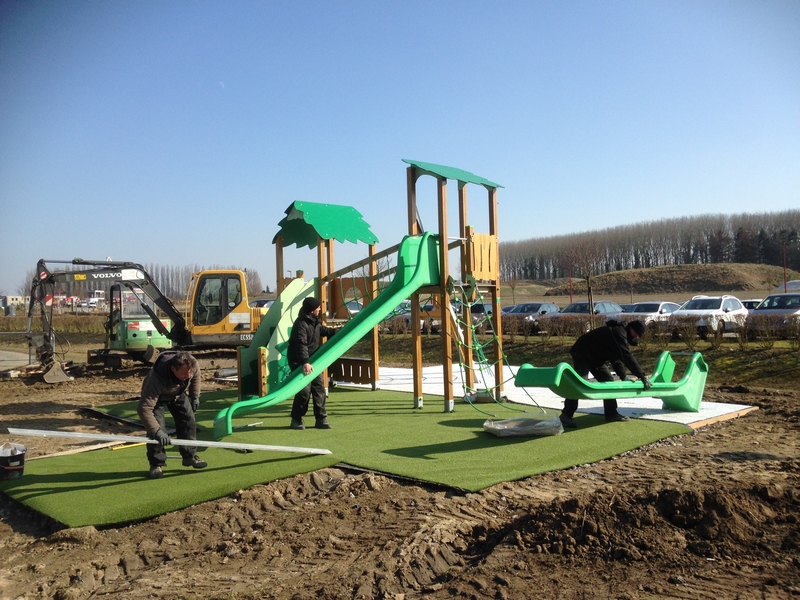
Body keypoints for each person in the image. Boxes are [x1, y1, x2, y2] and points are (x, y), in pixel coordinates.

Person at [559, 319, 652, 428]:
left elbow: (616, 358)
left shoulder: (621, 335)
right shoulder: (618, 333)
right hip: (582, 353)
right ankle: (566, 414)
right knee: (579, 383)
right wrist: (642, 375)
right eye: (637, 334)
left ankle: (611, 413)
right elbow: (626, 357)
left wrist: (623, 376)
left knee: (608, 381)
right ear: (631, 329)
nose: (637, 337)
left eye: (639, 336)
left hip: (595, 358)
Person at [137, 350, 206, 479]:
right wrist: (156, 431)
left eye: (189, 372)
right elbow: (144, 408)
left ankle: (189, 456)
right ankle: (156, 464)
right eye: (185, 373)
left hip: (178, 393)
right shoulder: (157, 378)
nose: (188, 375)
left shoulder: (192, 364)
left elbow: (196, 376)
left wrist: (195, 396)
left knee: (188, 420)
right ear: (174, 369)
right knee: (157, 430)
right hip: (157, 398)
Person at [287, 296, 337, 430]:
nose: (320, 309)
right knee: (304, 390)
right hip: (299, 360)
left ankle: (321, 418)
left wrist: (336, 331)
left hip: (312, 359)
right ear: (311, 310)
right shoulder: (301, 324)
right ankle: (296, 419)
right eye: (318, 307)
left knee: (319, 387)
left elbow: (322, 330)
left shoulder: (315, 321)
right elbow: (301, 345)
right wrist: (305, 362)